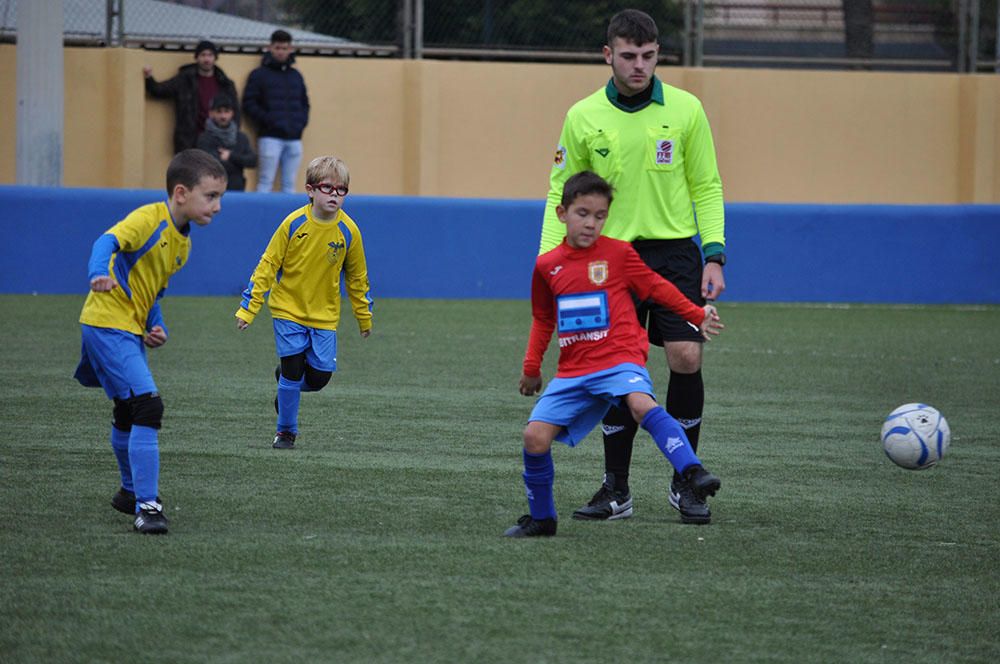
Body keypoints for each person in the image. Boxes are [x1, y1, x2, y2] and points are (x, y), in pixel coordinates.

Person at [539, 9, 727, 525]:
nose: (639, 65)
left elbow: (707, 186)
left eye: (647, 56)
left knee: (687, 356)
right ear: (609, 55)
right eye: (628, 56)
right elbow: (561, 192)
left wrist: (714, 254)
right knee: (613, 369)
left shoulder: (687, 110)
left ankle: (684, 481)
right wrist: (551, 262)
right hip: (604, 261)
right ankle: (615, 488)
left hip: (673, 254)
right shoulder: (582, 116)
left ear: (657, 54)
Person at [505, 172, 723, 538]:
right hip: (574, 371)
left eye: (600, 215)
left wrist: (696, 313)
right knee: (534, 438)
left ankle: (691, 472)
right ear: (562, 213)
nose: (591, 223)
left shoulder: (619, 254)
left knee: (640, 404)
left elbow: (657, 288)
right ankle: (542, 519)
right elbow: (543, 318)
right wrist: (531, 368)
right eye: (582, 213)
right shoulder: (547, 266)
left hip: (619, 360)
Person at [74, 149, 227, 534]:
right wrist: (97, 273)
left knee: (129, 410)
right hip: (107, 323)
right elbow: (105, 242)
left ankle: (130, 493)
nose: (218, 206)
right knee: (148, 406)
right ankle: (149, 506)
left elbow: (153, 290)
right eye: (211, 196)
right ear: (180, 193)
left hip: (127, 328)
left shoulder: (183, 243)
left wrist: (156, 325)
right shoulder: (148, 219)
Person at [235, 156, 373, 449]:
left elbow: (358, 278)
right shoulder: (293, 224)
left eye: (341, 190)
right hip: (288, 310)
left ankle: (285, 384)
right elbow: (268, 265)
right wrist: (249, 308)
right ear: (310, 190)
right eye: (328, 188)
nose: (334, 195)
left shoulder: (350, 232)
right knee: (294, 370)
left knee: (320, 377)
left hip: (324, 316)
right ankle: (286, 431)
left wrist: (364, 316)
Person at [242, 29, 310, 193]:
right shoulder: (259, 75)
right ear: (270, 48)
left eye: (285, 48)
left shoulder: (295, 75)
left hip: (294, 138)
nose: (281, 52)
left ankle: (290, 219)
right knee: (265, 182)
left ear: (290, 49)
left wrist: (300, 124)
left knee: (289, 185)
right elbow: (249, 103)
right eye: (278, 48)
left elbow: (304, 103)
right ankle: (261, 218)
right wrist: (269, 121)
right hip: (270, 137)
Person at [143, 40, 240, 154]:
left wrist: (232, 137)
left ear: (215, 58)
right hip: (190, 140)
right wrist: (149, 78)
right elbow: (159, 90)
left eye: (210, 55)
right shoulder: (185, 79)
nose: (207, 59)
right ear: (196, 57)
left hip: (217, 141)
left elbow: (236, 113)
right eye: (203, 55)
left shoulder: (225, 83)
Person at [197, 94, 258, 192]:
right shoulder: (205, 138)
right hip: (212, 191)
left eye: (226, 111)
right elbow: (211, 165)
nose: (223, 116)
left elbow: (253, 161)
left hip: (237, 190)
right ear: (211, 113)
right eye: (219, 112)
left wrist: (231, 156)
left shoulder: (241, 137)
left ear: (232, 113)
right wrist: (239, 163)